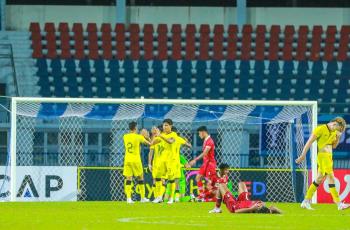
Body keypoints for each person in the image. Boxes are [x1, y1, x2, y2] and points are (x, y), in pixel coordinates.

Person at [296, 117, 349, 210]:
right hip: (323, 156)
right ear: (335, 123)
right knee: (331, 178)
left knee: (319, 179)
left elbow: (334, 146)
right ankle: (339, 204)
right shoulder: (320, 129)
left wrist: (338, 137)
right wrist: (302, 155)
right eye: (339, 129)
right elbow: (309, 142)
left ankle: (305, 201)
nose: (338, 131)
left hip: (329, 157)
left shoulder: (334, 132)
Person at [209, 181, 282, 214]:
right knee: (242, 183)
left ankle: (217, 209)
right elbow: (273, 208)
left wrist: (251, 208)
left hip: (235, 205)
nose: (260, 205)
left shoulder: (252, 209)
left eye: (260, 206)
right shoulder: (261, 206)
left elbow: (235, 212)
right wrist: (274, 209)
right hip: (244, 201)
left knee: (221, 185)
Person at [122, 121, 151, 204]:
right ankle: (142, 198)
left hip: (127, 159)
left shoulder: (125, 136)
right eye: (137, 127)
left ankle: (128, 198)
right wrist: (147, 137)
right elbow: (150, 144)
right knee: (140, 178)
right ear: (135, 128)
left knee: (128, 179)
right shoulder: (138, 137)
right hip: (136, 160)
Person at [151, 119, 178, 204]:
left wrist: (161, 136)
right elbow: (152, 143)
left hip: (170, 160)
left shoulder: (174, 134)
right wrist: (155, 135)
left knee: (171, 179)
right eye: (163, 125)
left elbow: (170, 141)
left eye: (166, 125)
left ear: (170, 126)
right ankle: (159, 197)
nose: (164, 127)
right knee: (158, 177)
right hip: (162, 160)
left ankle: (171, 198)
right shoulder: (161, 135)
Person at [189, 126, 217, 200]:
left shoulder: (210, 141)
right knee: (198, 178)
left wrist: (195, 160)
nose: (199, 135)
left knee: (209, 184)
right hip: (205, 164)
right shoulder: (205, 140)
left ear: (203, 132)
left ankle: (216, 198)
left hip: (210, 164)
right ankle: (202, 195)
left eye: (199, 133)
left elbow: (205, 153)